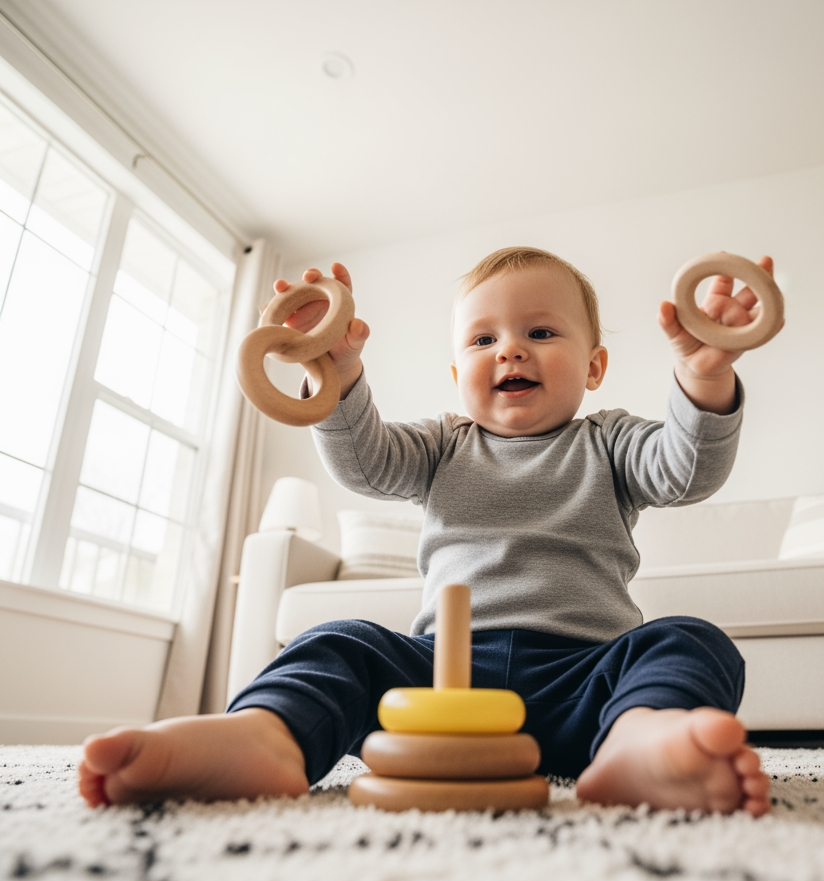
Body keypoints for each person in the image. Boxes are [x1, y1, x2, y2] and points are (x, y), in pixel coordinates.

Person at [79, 247, 774, 816]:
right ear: (456, 373)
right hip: (443, 681)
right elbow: (366, 464)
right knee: (339, 643)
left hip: (585, 680)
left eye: (540, 332)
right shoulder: (444, 444)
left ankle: (639, 740)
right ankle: (266, 737)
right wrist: (341, 374)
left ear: (593, 367)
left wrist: (702, 374)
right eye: (483, 339)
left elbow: (685, 473)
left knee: (690, 640)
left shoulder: (611, 440)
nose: (510, 352)